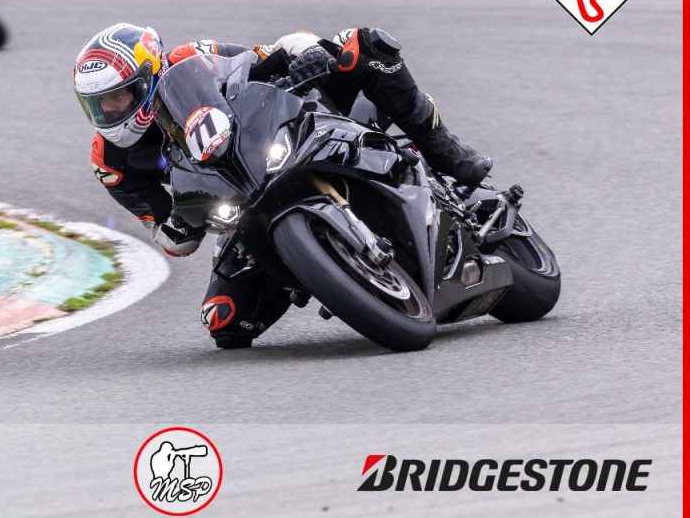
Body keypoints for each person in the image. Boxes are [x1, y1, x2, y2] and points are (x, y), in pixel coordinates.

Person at [74, 22, 492, 349]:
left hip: (287, 134)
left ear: (149, 76)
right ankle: (325, 271)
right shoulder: (109, 161)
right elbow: (166, 233)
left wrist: (307, 54)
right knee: (225, 321)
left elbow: (272, 52)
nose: (108, 111)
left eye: (118, 97)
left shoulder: (192, 58)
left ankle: (446, 152)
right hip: (236, 205)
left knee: (361, 46)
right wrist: (181, 226)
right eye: (97, 104)